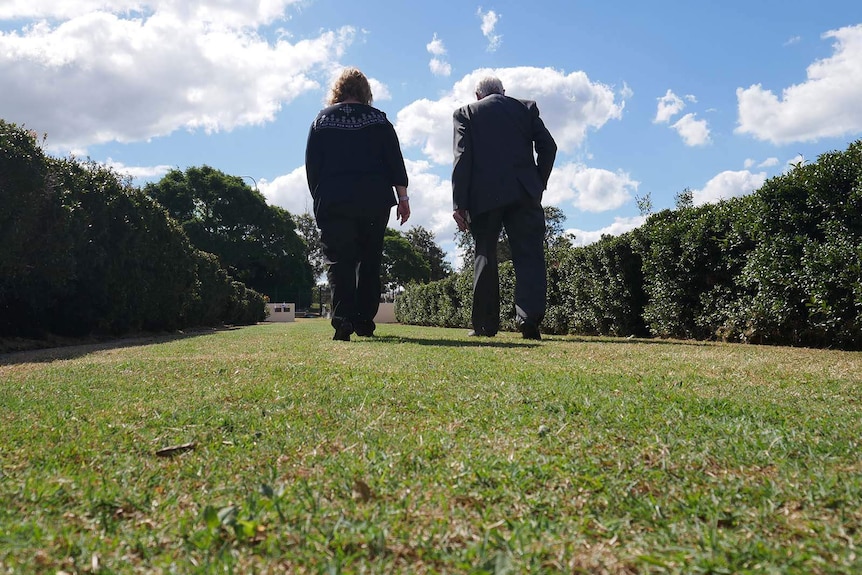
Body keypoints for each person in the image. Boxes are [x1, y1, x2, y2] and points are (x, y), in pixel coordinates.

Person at [305, 67, 410, 341]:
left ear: (337, 90)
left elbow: (312, 168)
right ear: (365, 92)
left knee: (339, 260)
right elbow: (394, 162)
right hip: (373, 199)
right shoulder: (379, 120)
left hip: (334, 198)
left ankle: (342, 320)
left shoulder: (321, 120)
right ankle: (364, 321)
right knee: (370, 259)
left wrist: (319, 198)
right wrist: (403, 198)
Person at [451, 76, 557, 340]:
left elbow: (462, 157)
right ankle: (528, 319)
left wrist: (459, 204)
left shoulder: (466, 113)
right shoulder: (525, 107)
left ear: (478, 95)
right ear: (503, 92)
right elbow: (548, 146)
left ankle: (485, 325)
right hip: (524, 191)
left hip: (484, 195)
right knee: (530, 254)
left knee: (485, 255)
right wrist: (538, 182)